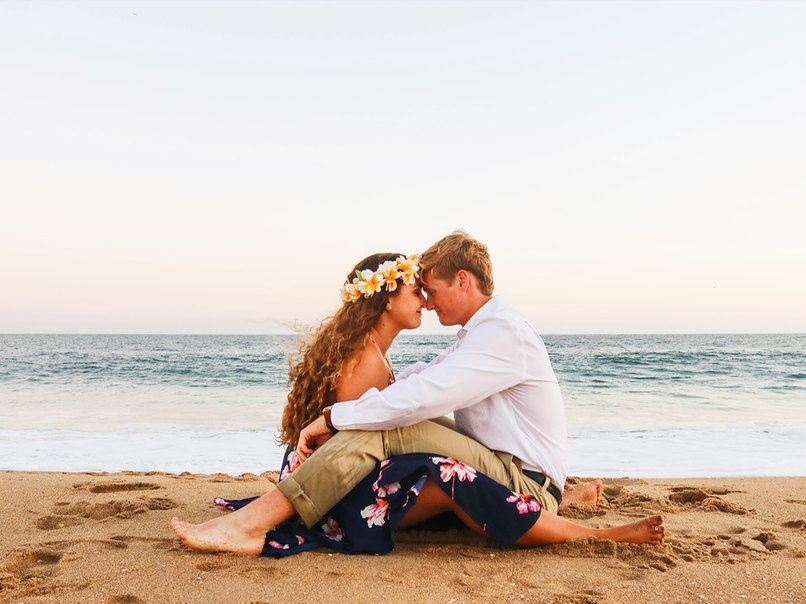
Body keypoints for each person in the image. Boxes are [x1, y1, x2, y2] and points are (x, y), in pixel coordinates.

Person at [172, 233, 664, 555]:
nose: (427, 301)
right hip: (513, 468)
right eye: (418, 292)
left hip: (523, 481)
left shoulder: (502, 334)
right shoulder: (481, 334)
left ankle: (256, 522)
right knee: (386, 423)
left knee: (393, 425)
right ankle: (261, 517)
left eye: (431, 289)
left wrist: (331, 418)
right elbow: (422, 378)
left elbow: (424, 395)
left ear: (463, 280)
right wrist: (343, 413)